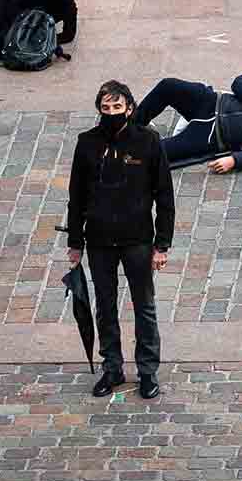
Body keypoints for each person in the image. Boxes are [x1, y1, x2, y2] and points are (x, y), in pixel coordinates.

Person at [64, 81, 172, 399]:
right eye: (105, 107)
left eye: (117, 107)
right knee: (105, 307)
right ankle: (112, 368)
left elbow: (164, 195)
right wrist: (75, 242)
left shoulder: (149, 142)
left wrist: (162, 244)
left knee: (145, 308)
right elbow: (76, 196)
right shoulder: (86, 144)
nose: (111, 113)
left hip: (137, 238)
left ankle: (147, 371)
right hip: (99, 240)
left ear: (129, 107)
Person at [138, 73, 242, 171]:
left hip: (212, 137)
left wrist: (235, 160)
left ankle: (124, 151)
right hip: (212, 101)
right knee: (169, 86)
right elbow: (240, 82)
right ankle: (130, 127)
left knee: (156, 152)